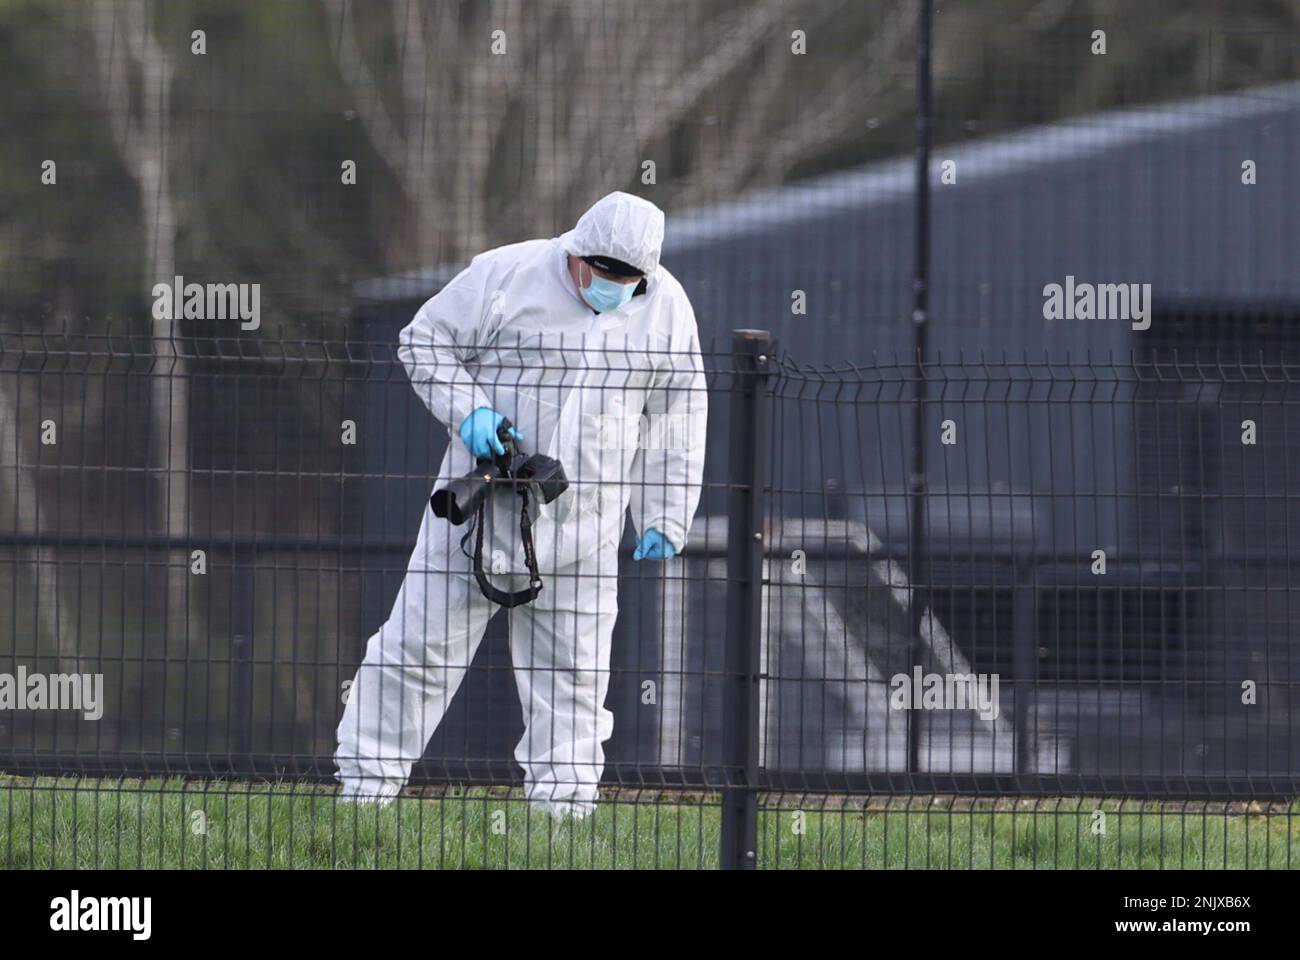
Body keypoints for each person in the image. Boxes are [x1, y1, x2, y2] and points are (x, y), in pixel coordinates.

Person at [335, 191, 708, 819]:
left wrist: (666, 514)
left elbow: (679, 414)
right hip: (479, 514)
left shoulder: (667, 310)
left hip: (584, 530)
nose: (612, 286)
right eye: (603, 271)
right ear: (578, 250)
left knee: (574, 680)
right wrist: (470, 410)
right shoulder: (507, 274)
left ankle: (562, 824)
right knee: (416, 653)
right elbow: (424, 340)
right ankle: (363, 796)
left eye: (627, 278)